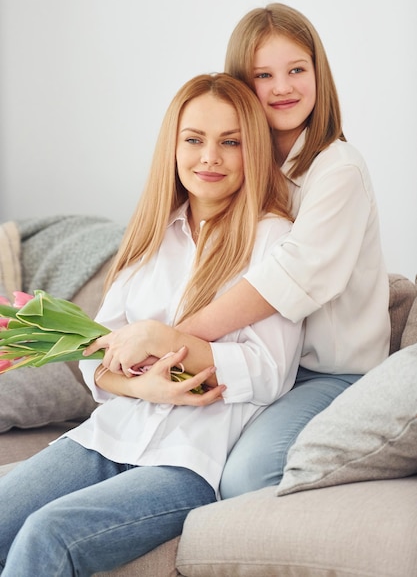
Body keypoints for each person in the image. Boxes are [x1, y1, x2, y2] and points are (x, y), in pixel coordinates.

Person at [0, 73, 303, 576]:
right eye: (195, 140)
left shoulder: (276, 241)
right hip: (109, 435)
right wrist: (149, 390)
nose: (210, 157)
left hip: (188, 463)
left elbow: (269, 370)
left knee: (49, 533)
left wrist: (165, 343)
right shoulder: (150, 234)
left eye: (231, 142)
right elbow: (99, 361)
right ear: (174, 145)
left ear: (255, 150)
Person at [86, 3, 391, 500]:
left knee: (246, 476)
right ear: (242, 86)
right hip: (269, 363)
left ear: (319, 73)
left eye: (297, 70)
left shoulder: (338, 170)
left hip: (327, 373)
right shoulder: (245, 160)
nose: (282, 87)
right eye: (263, 75)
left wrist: (169, 338)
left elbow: (287, 280)